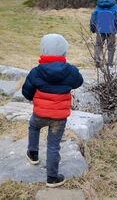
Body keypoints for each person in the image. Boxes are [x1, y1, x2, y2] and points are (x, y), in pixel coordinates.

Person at [22, 34, 84, 188]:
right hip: (59, 118)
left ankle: (33, 154)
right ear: (64, 52)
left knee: (34, 127)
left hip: (39, 114)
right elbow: (79, 82)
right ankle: (52, 177)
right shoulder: (70, 71)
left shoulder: (36, 72)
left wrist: (35, 96)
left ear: (42, 50)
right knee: (53, 146)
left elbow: (26, 92)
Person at [90, 0, 117, 68]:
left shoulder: (98, 4)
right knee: (111, 47)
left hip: (100, 29)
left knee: (98, 45)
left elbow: (93, 16)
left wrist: (93, 28)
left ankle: (98, 61)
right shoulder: (114, 5)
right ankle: (110, 64)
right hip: (111, 29)